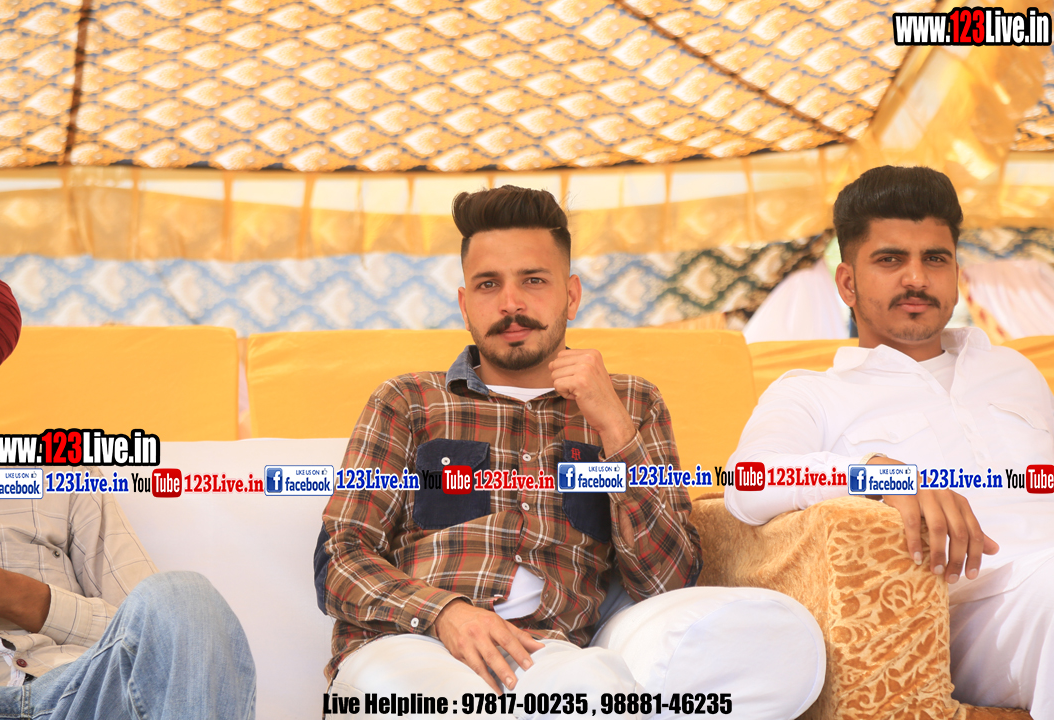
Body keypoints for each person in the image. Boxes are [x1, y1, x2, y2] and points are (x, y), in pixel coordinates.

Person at [317, 186, 825, 719]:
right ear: (466, 305)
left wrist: (614, 429)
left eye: (533, 280)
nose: (511, 303)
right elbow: (339, 556)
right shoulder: (408, 401)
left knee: (603, 697)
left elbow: (667, 580)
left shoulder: (633, 403)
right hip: (410, 645)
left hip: (546, 654)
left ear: (572, 295)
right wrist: (447, 613)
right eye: (489, 284)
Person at [724, 166, 1054, 717]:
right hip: (964, 614)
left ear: (956, 273)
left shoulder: (1014, 371)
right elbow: (746, 482)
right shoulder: (813, 393)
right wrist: (875, 472)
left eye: (935, 258)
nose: (916, 278)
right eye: (890, 259)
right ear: (847, 283)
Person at [0, 260, 257, 719]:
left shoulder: (57, 474)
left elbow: (153, 629)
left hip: (76, 696)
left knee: (185, 594)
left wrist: (18, 596)